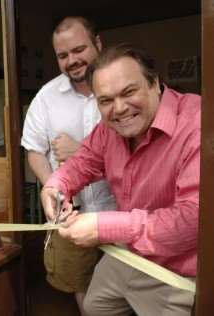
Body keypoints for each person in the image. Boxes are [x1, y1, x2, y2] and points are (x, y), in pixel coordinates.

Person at [41, 43, 199, 316]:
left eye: (129, 92)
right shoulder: (108, 129)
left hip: (181, 266)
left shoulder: (199, 124)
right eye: (105, 101)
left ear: (155, 83)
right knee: (95, 306)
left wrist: (104, 227)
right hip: (130, 253)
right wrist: (56, 186)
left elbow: (193, 221)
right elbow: (83, 162)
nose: (119, 109)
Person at [21, 16, 116, 314]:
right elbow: (34, 150)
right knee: (82, 287)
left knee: (125, 287)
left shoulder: (119, 89)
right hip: (73, 217)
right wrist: (54, 189)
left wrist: (79, 152)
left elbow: (140, 151)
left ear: (97, 44)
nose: (72, 60)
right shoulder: (46, 98)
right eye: (63, 55)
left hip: (122, 211)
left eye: (79, 50)